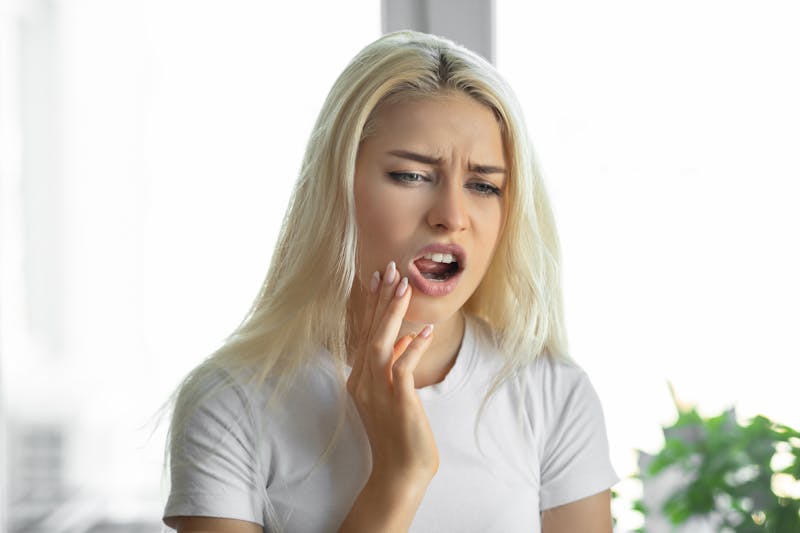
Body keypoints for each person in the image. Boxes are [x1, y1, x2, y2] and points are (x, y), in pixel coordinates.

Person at [162, 30, 618, 533]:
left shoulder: (554, 394)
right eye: (411, 176)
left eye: (484, 185)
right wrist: (399, 479)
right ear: (337, 187)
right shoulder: (231, 399)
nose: (451, 216)